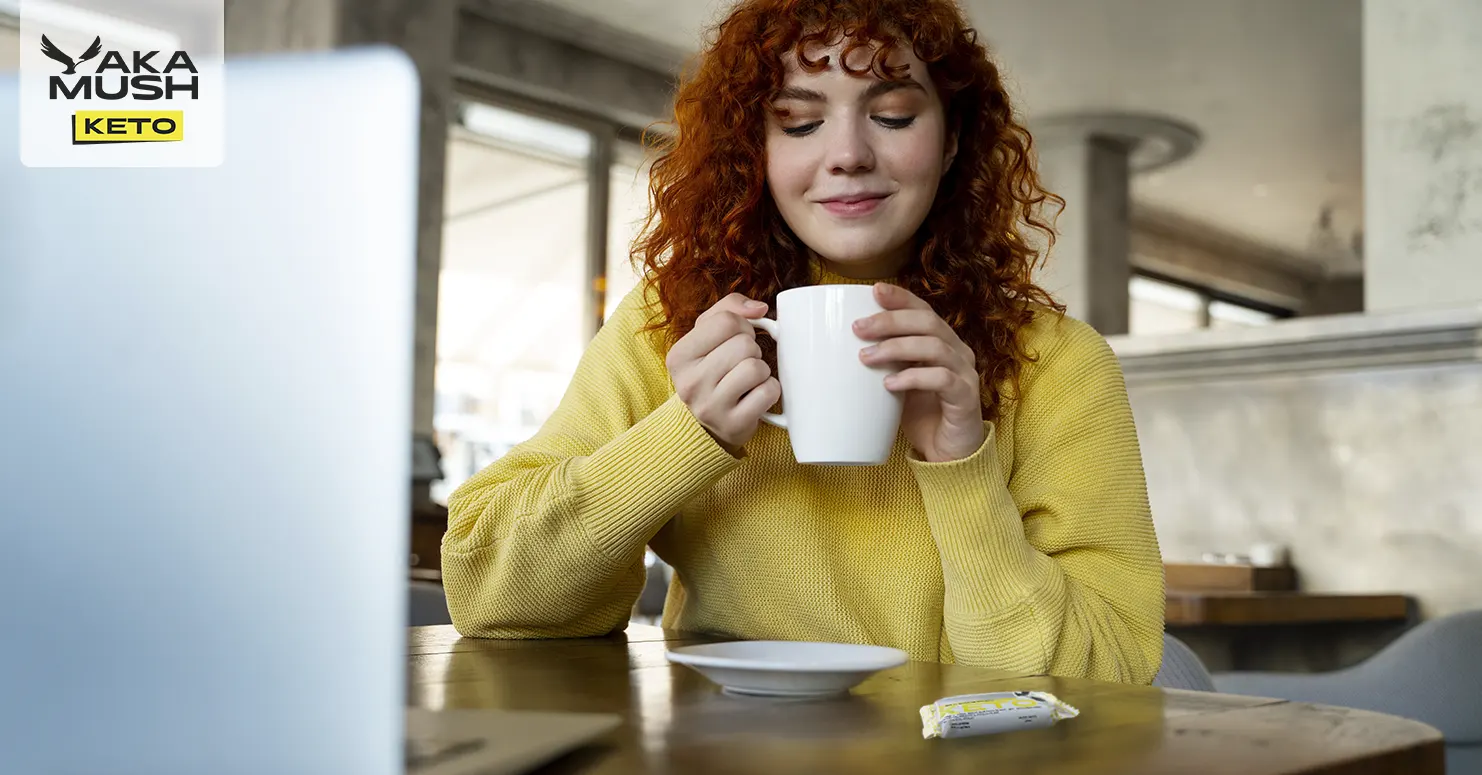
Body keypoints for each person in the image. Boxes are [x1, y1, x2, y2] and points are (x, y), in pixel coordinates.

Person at [441, 0, 1165, 684]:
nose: (847, 154)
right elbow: (487, 594)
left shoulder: (1057, 364)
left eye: (892, 114)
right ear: (754, 149)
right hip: (720, 745)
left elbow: (1113, 678)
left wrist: (961, 467)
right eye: (798, 122)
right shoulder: (675, 324)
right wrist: (684, 436)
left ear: (952, 141)